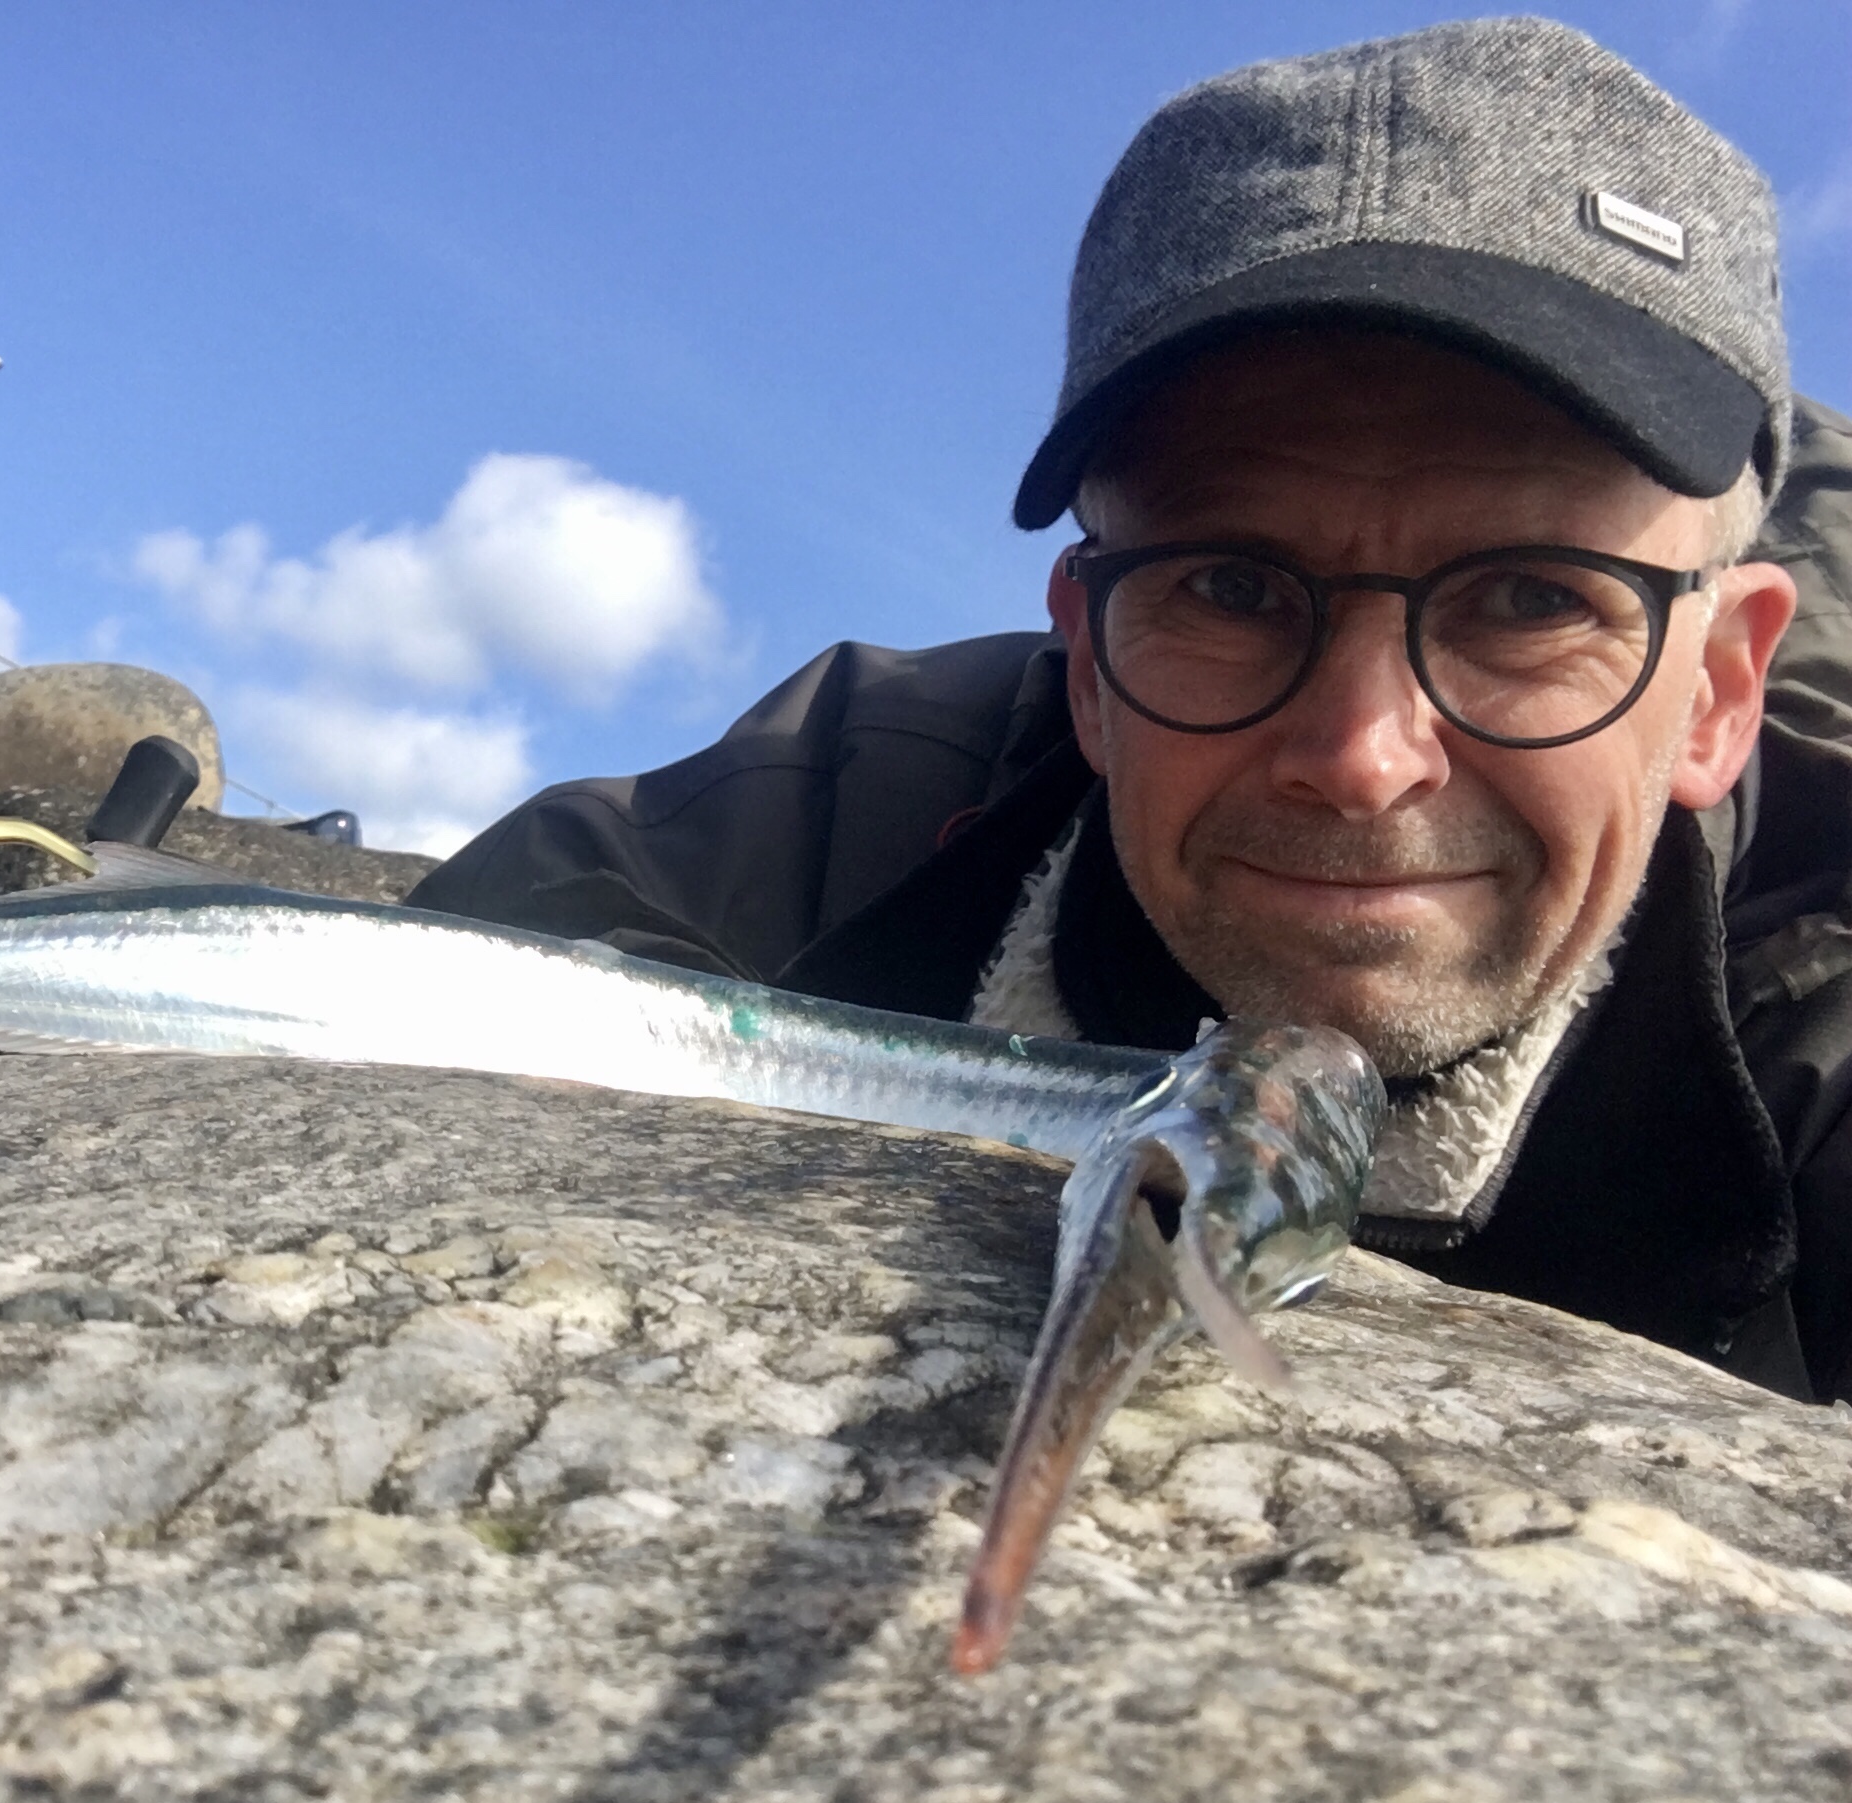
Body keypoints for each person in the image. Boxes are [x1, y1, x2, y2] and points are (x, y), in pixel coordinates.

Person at [406, 17, 1852, 1402]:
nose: (1362, 758)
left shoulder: (1821, 1002)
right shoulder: (852, 796)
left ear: (1717, 691)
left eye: (1533, 599)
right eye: (1231, 586)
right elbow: (459, 975)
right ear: (1087, 664)